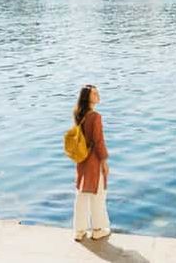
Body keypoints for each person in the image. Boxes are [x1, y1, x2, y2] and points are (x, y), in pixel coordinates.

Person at [72, 84, 111, 242]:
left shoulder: (78, 114)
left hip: (82, 160)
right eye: (94, 93)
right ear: (87, 97)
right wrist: (104, 161)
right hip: (94, 160)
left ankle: (79, 231)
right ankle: (97, 229)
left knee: (82, 194)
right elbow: (98, 141)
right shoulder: (95, 116)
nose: (98, 95)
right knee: (97, 194)